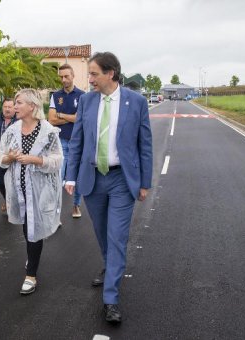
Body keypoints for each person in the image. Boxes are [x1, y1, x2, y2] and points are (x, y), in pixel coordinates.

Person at [65, 52, 153, 324]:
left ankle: (111, 298)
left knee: (116, 236)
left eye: (93, 74)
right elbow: (77, 141)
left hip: (120, 180)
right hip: (92, 177)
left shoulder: (136, 102)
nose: (88, 79)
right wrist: (70, 177)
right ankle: (110, 266)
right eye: (89, 74)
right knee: (102, 233)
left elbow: (144, 145)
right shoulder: (87, 101)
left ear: (110, 74)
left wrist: (145, 183)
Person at [0, 88, 63, 295]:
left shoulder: (48, 132)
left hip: (40, 190)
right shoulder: (12, 131)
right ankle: (32, 255)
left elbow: (57, 161)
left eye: (19, 103)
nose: (15, 106)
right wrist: (10, 158)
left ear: (32, 106)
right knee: (27, 227)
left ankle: (31, 275)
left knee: (35, 229)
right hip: (19, 189)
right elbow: (1, 157)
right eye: (15, 103)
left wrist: (35, 160)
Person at [48, 64, 85, 218]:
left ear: (73, 75)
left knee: (76, 176)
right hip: (61, 142)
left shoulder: (83, 96)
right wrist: (71, 118)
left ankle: (76, 205)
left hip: (78, 142)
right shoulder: (55, 96)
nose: (63, 80)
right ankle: (56, 211)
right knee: (58, 177)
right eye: (61, 77)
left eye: (66, 76)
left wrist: (61, 115)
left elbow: (81, 119)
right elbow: (51, 120)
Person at [0, 98, 18, 213]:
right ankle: (8, 199)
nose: (7, 109)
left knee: (13, 183)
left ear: (14, 108)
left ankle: (12, 202)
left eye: (9, 107)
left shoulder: (19, 121)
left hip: (13, 159)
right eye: (5, 107)